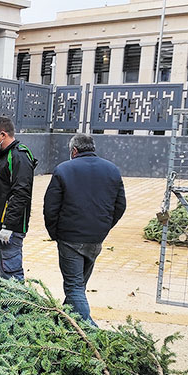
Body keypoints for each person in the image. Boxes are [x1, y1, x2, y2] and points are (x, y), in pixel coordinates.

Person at [43, 134, 127, 325]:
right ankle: (62, 323)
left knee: (74, 288)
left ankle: (90, 331)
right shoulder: (112, 170)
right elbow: (120, 205)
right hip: (96, 238)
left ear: (74, 151)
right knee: (78, 286)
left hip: (69, 238)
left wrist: (55, 233)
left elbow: (50, 207)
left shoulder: (63, 169)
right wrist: (104, 227)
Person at [0, 116, 38, 281]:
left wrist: (9, 226)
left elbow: (21, 193)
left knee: (11, 276)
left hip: (8, 230)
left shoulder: (19, 156)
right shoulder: (2, 157)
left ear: (3, 135)